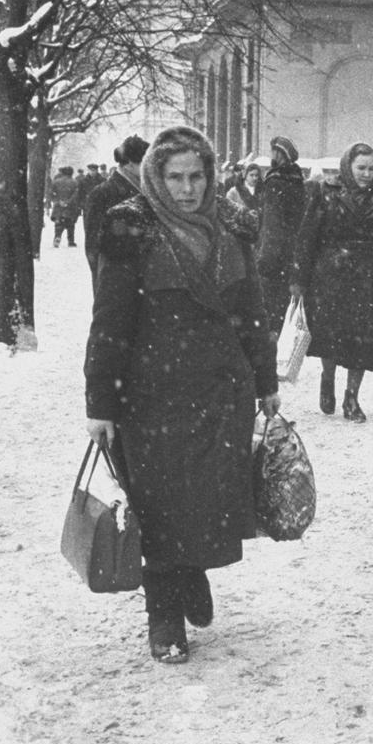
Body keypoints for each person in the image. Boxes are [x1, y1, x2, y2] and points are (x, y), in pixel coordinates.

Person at [85, 126, 279, 664]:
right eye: (176, 177)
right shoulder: (131, 229)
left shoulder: (233, 227)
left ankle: (192, 571)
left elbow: (253, 312)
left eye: (197, 176)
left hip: (222, 394)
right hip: (153, 397)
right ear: (156, 177)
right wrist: (100, 403)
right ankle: (164, 613)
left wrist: (266, 381)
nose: (188, 189)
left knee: (210, 499)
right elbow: (110, 322)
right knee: (161, 507)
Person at [293, 141, 373, 422]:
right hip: (331, 276)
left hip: (369, 278)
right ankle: (328, 378)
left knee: (363, 343)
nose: (366, 174)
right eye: (361, 168)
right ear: (347, 167)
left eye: (371, 168)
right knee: (330, 336)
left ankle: (351, 398)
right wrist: (299, 279)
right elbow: (308, 238)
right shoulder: (325, 193)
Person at [83, 135, 149, 292]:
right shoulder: (103, 193)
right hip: (116, 283)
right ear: (130, 163)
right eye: (146, 163)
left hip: (143, 279)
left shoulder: (145, 190)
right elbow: (94, 246)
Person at [257, 136, 307, 333]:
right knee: (278, 312)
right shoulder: (298, 181)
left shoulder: (275, 182)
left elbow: (272, 224)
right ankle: (271, 344)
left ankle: (265, 356)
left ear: (278, 154)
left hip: (273, 256)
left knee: (264, 313)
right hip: (291, 255)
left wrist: (265, 259)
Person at [49, 166, 81, 247]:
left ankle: (57, 237)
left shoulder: (55, 182)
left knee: (58, 223)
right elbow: (76, 195)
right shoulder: (75, 182)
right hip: (70, 207)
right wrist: (68, 202)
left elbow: (51, 194)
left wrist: (58, 201)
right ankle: (71, 241)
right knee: (70, 224)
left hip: (58, 206)